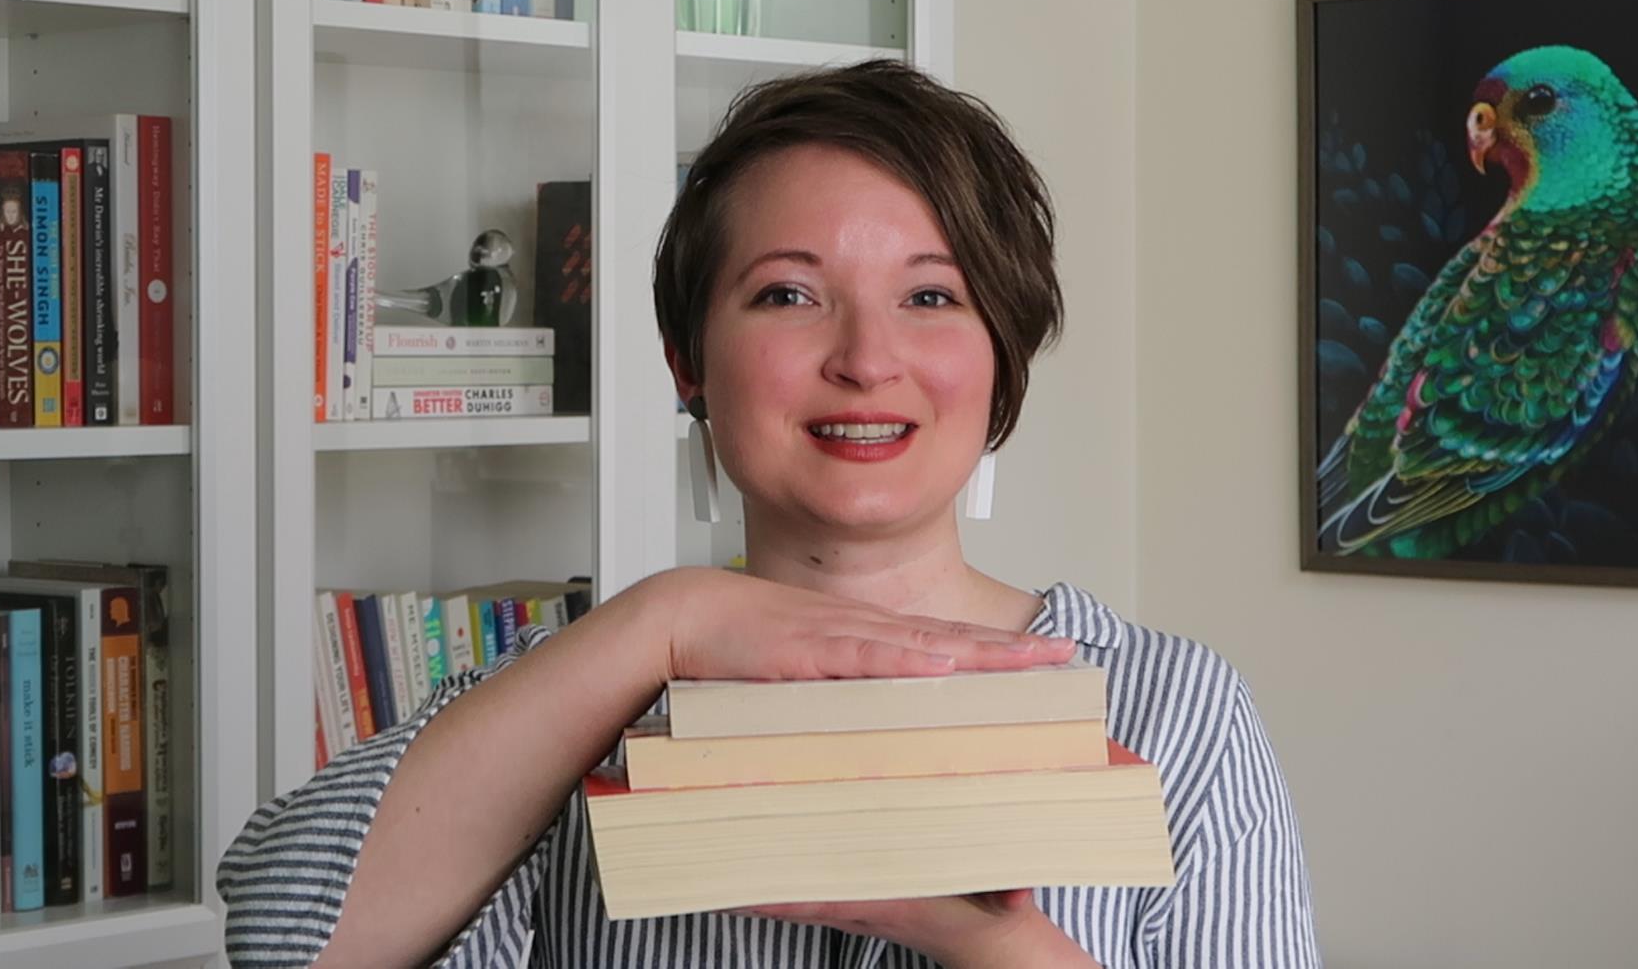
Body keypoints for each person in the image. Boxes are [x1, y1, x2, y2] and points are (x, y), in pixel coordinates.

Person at [218, 60, 1320, 968]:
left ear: (1003, 356)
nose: (866, 359)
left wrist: (994, 950)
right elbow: (285, 938)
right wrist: (670, 624)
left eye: (932, 296)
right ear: (687, 361)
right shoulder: (579, 689)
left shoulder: (1181, 714)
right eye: (788, 294)